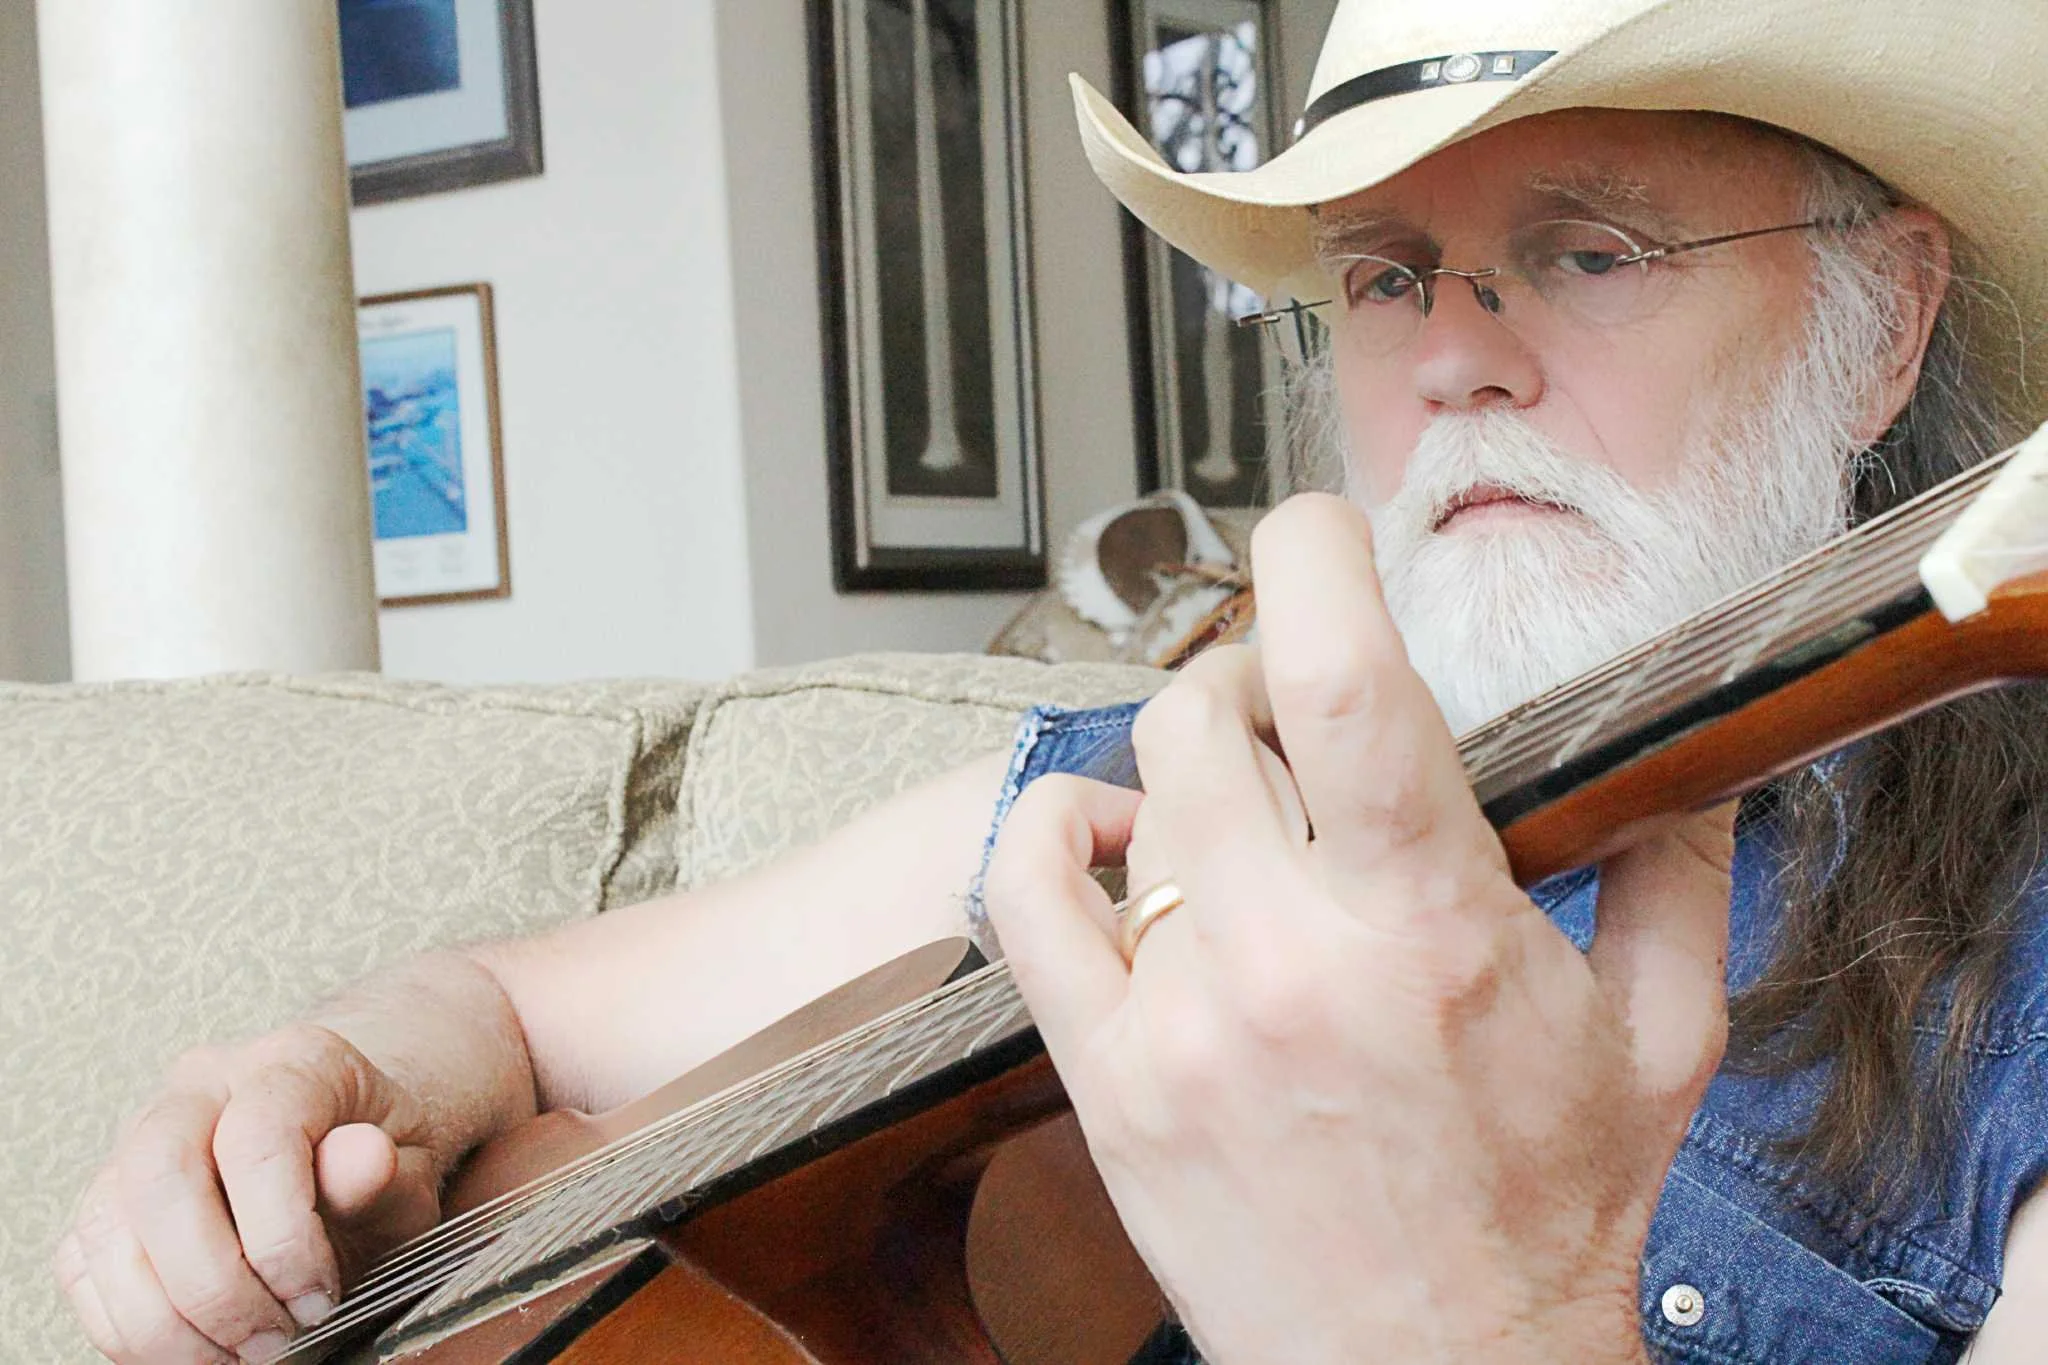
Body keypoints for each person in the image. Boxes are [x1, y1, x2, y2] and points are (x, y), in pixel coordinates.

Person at [55, 0, 2048, 1360]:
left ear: (1882, 328)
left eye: (1592, 249)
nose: (1456, 356)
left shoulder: (2020, 962)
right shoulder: (1154, 791)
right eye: (1378, 274)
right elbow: (504, 1007)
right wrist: (318, 1080)